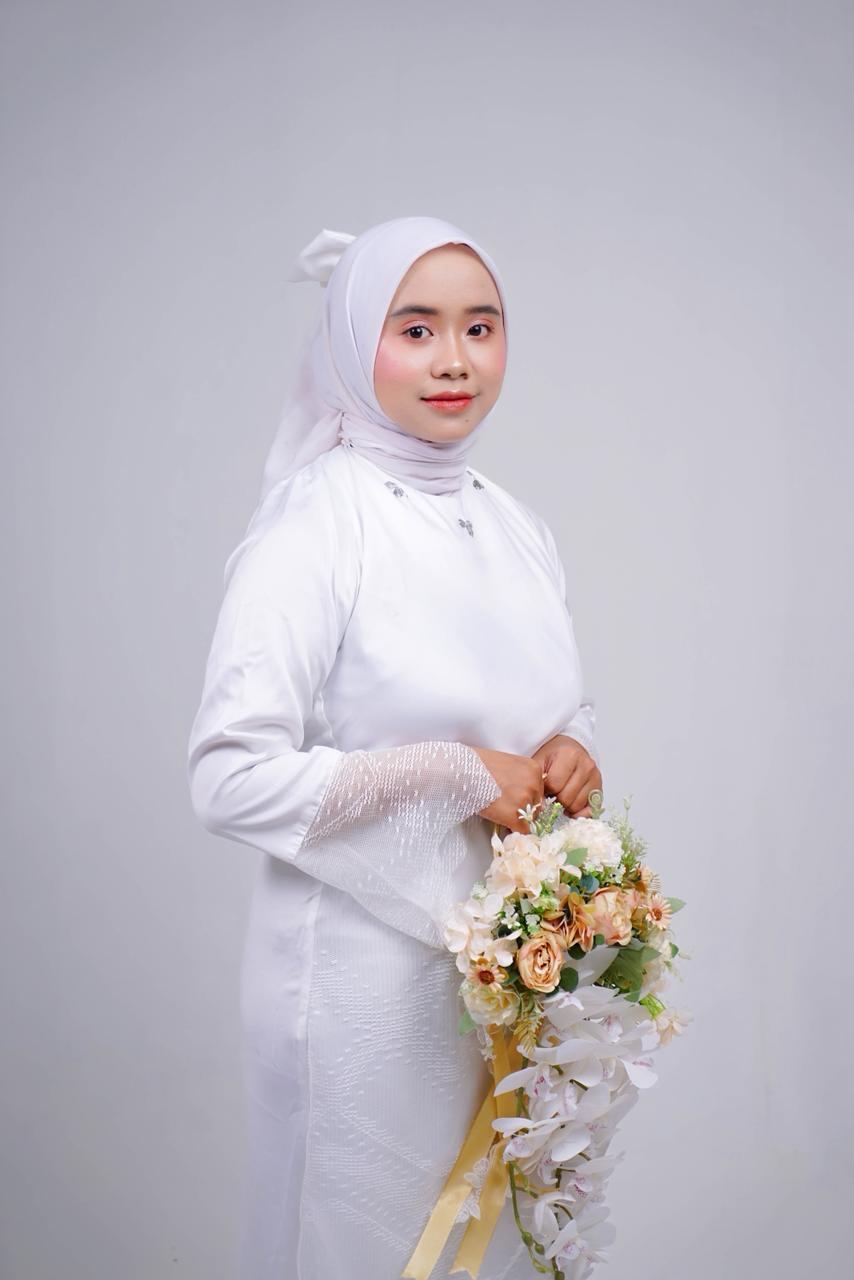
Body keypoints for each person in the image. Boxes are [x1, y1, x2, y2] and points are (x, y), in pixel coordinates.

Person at [187, 215, 603, 1280]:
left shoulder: (515, 525)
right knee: (368, 1243)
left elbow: (551, 704)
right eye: (415, 329)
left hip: (503, 974)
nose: (454, 359)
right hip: (356, 982)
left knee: (491, 1240)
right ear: (349, 340)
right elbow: (228, 775)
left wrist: (571, 750)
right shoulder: (316, 523)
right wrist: (455, 775)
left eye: (479, 326)